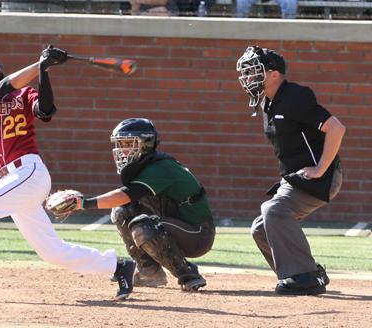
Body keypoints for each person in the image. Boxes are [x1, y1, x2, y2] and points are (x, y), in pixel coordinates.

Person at [0, 46, 135, 301]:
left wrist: (44, 69)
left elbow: (46, 110)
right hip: (10, 180)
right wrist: (39, 63)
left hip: (28, 172)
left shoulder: (23, 94)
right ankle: (118, 266)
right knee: (51, 250)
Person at [236, 46, 346, 295]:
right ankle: (309, 273)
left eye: (255, 72)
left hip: (321, 177)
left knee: (274, 209)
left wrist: (320, 168)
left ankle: (303, 277)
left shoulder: (296, 95)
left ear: (274, 74)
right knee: (261, 228)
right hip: (295, 179)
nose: (248, 78)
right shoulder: (268, 103)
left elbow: (336, 129)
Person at [68, 118, 215, 291]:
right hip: (175, 223)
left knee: (143, 226)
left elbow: (124, 195)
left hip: (197, 234)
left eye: (128, 143)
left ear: (145, 143)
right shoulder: (145, 166)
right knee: (122, 211)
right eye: (120, 144)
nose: (122, 150)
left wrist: (84, 203)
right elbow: (125, 201)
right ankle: (149, 271)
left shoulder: (161, 167)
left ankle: (188, 274)